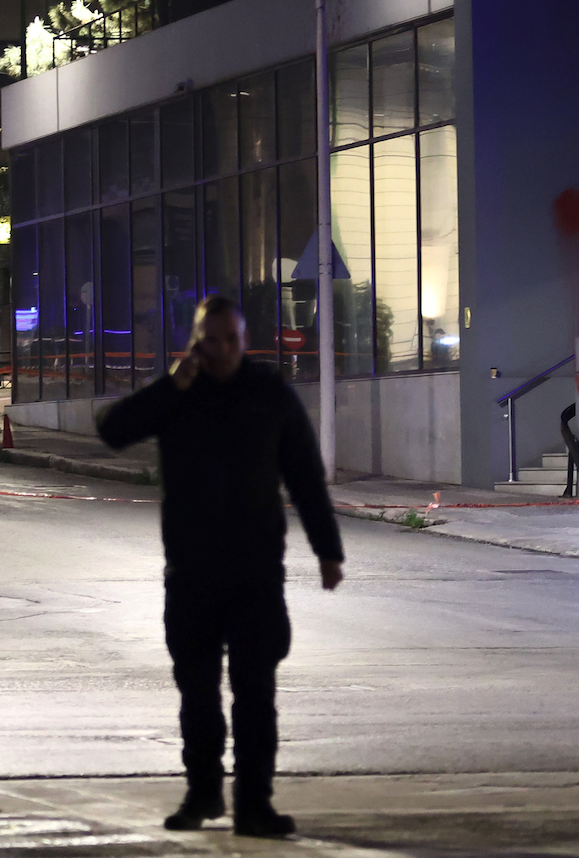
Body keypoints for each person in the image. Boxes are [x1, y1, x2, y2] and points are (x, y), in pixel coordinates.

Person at [97, 296, 344, 838]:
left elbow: (304, 474)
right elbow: (113, 430)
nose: (224, 350)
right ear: (196, 342)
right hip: (191, 573)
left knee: (256, 693)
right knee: (198, 695)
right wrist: (170, 385)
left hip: (257, 573)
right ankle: (202, 795)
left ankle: (254, 804)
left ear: (242, 339)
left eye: (232, 339)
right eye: (213, 340)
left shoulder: (268, 394)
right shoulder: (177, 396)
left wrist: (328, 550)